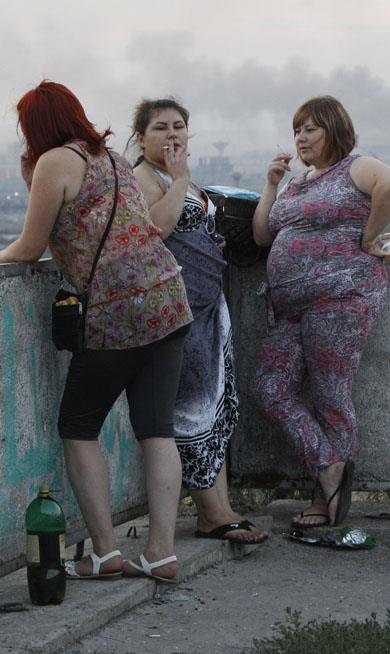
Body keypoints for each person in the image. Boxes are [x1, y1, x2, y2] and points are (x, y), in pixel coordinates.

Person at [0, 81, 191, 584]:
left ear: (35, 126)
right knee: (156, 429)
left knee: (78, 427)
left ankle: (105, 553)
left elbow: (29, 246)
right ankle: (161, 553)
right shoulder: (112, 158)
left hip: (117, 313)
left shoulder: (54, 161)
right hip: (168, 301)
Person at [251, 95, 390, 528]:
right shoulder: (298, 183)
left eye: (310, 129)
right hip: (290, 308)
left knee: (330, 397)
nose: (301, 138)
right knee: (269, 388)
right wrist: (271, 184)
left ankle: (327, 502)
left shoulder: (355, 167)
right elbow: (262, 235)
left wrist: (369, 237)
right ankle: (328, 465)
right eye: (296, 130)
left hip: (341, 299)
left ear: (333, 130)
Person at [130, 97, 267, 545]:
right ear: (141, 138)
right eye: (160, 128)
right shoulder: (143, 178)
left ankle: (220, 508)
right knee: (190, 410)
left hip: (209, 306)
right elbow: (156, 229)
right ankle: (210, 512)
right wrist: (181, 179)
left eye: (179, 126)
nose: (172, 135)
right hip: (176, 311)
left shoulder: (180, 180)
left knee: (214, 408)